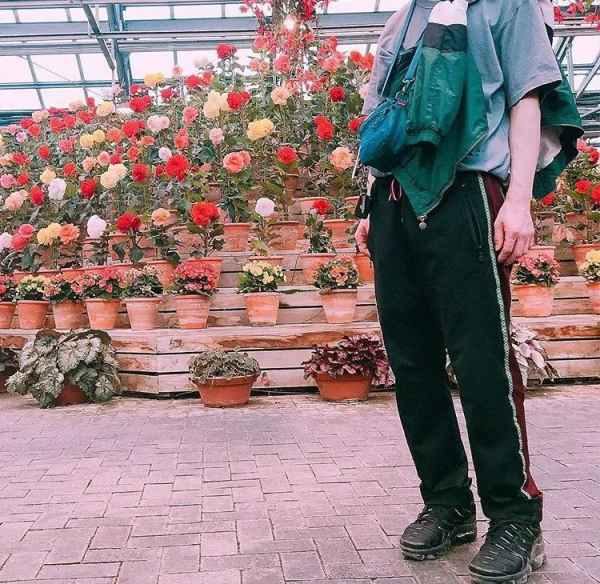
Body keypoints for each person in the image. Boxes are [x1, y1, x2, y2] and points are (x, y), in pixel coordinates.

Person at [355, 1, 582, 583]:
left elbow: (526, 98)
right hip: (393, 203)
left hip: (467, 193)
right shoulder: (405, 15)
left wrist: (520, 200)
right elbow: (385, 112)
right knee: (412, 366)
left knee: (482, 362)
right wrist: (368, 203)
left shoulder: (508, 5)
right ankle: (448, 503)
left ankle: (515, 516)